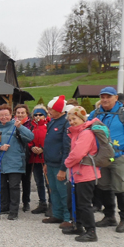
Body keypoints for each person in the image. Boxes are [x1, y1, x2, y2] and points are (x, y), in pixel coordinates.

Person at [88, 87, 124, 233]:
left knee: (121, 188)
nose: (105, 99)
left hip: (118, 157)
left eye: (108, 97)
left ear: (116, 98)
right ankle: (109, 216)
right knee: (104, 187)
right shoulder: (96, 113)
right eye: (102, 97)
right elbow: (85, 127)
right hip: (101, 158)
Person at [0, 104, 34, 220]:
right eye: (1, 115)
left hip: (15, 163)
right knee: (1, 187)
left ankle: (14, 211)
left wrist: (20, 127)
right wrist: (0, 147)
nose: (4, 117)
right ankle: (4, 206)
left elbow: (30, 137)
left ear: (10, 115)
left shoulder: (17, 126)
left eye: (6, 115)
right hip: (0, 163)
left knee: (14, 187)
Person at [63, 107, 101, 242]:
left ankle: (91, 231)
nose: (72, 122)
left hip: (86, 174)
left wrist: (66, 163)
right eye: (70, 119)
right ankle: (77, 225)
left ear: (82, 119)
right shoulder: (76, 133)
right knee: (74, 201)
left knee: (84, 204)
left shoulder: (86, 134)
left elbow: (77, 154)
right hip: (77, 173)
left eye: (74, 118)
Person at [42, 95, 72, 228]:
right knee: (53, 190)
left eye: (51, 109)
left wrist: (63, 169)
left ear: (59, 110)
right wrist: (46, 163)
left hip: (60, 164)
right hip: (50, 163)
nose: (49, 112)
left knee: (63, 191)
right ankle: (57, 214)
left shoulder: (65, 123)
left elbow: (67, 148)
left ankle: (68, 217)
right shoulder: (53, 121)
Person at [29, 105, 49, 214]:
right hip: (35, 156)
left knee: (48, 181)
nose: (38, 117)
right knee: (38, 181)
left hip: (46, 157)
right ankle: (42, 202)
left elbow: (51, 140)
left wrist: (43, 148)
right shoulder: (31, 126)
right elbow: (28, 138)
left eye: (40, 114)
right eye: (35, 115)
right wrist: (31, 147)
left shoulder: (49, 125)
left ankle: (52, 203)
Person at [14, 104, 34, 212]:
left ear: (26, 113)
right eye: (18, 113)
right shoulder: (11, 123)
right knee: (14, 181)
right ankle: (13, 202)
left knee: (26, 181)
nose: (20, 115)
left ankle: (26, 202)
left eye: (22, 113)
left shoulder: (30, 124)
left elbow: (32, 138)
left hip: (27, 155)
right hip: (15, 156)